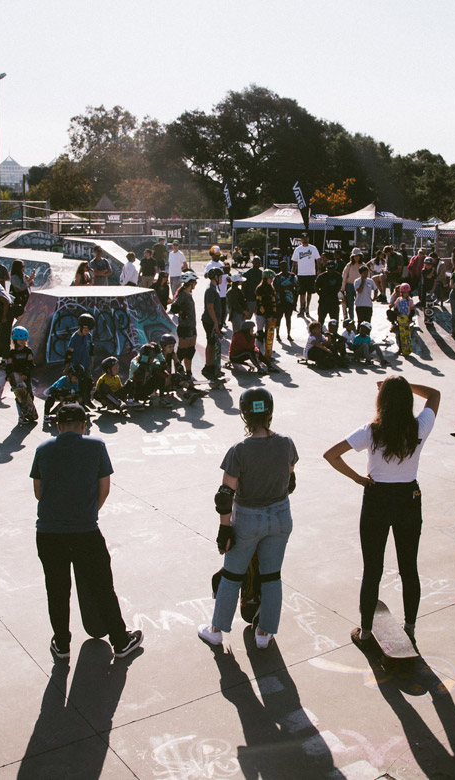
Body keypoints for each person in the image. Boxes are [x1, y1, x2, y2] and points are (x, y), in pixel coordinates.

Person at [324, 377, 441, 648]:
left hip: (377, 497)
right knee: (409, 568)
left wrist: (358, 479)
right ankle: (409, 628)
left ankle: (365, 632)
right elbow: (434, 394)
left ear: (382, 401)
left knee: (372, 569)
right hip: (408, 498)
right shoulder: (419, 427)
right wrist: (405, 386)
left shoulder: (370, 431)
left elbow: (331, 455)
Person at [31, 403, 144, 660]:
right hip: (85, 532)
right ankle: (120, 640)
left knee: (57, 589)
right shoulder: (96, 446)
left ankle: (61, 644)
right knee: (103, 585)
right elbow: (104, 488)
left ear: (58, 426)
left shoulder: (43, 449)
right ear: (84, 425)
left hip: (48, 533)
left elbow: (39, 492)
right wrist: (88, 512)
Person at [200, 387, 297, 649]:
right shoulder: (286, 443)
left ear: (244, 414)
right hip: (280, 517)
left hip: (248, 520)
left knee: (232, 575)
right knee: (271, 576)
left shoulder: (239, 450)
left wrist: (224, 530)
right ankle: (264, 635)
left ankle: (216, 630)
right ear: (270, 411)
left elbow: (224, 496)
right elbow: (291, 479)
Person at [8, 326, 39, 424]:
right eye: (20, 339)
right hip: (16, 379)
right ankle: (21, 416)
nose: (22, 341)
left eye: (24, 339)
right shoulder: (12, 353)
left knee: (29, 396)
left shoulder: (28, 351)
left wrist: (25, 373)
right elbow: (9, 365)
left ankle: (28, 413)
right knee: (19, 398)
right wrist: (9, 375)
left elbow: (30, 364)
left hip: (26, 378)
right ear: (15, 340)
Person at [170, 274, 199, 376]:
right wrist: (182, 313)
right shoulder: (182, 295)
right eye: (195, 282)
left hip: (191, 326)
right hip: (185, 328)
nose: (196, 284)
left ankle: (188, 373)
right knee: (182, 353)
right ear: (190, 283)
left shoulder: (188, 294)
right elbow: (174, 308)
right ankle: (177, 373)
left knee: (190, 352)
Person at [66, 312, 96, 403]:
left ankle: (87, 400)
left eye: (89, 330)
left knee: (88, 382)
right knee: (79, 383)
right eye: (86, 330)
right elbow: (69, 353)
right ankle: (80, 402)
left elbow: (91, 351)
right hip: (77, 364)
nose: (88, 332)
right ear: (81, 327)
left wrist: (91, 363)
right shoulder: (74, 337)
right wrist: (67, 367)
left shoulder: (89, 336)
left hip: (86, 363)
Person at [201, 267, 224, 379]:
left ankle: (212, 366)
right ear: (215, 277)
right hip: (210, 321)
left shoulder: (213, 288)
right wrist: (215, 323)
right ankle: (208, 366)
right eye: (220, 277)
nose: (221, 279)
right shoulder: (211, 290)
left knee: (212, 343)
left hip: (212, 321)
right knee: (210, 344)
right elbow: (210, 308)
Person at [291, 236, 321, 317]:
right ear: (301, 239)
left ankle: (307, 307)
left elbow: (318, 260)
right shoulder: (298, 249)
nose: (305, 240)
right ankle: (302, 308)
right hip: (301, 274)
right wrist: (293, 272)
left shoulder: (313, 248)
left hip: (311, 274)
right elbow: (294, 262)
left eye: (306, 238)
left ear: (308, 239)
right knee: (301, 293)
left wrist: (318, 270)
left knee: (310, 292)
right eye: (303, 238)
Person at [254, 270, 279, 356]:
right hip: (261, 314)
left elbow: (273, 302)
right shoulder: (259, 289)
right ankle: (257, 352)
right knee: (260, 333)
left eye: (272, 278)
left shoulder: (271, 288)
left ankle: (267, 352)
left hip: (270, 315)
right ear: (265, 279)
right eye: (270, 278)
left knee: (269, 334)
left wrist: (274, 315)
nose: (272, 280)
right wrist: (267, 315)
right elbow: (259, 303)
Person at [388, 282, 417, 357]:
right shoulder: (398, 300)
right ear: (401, 293)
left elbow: (412, 310)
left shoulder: (410, 300)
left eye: (407, 293)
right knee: (400, 334)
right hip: (400, 319)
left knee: (406, 334)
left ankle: (407, 347)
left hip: (407, 320)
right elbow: (395, 308)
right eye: (404, 293)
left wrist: (410, 318)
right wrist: (398, 314)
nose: (406, 294)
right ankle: (400, 348)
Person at [316, 261, 344, 328]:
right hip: (323, 301)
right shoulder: (321, 276)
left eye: (332, 268)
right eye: (329, 268)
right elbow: (316, 287)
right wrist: (321, 294)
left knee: (335, 321)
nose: (330, 270)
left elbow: (340, 287)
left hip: (334, 302)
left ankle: (334, 335)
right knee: (321, 320)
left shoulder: (338, 276)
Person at [276, 270, 299, 342]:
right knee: (278, 318)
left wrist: (292, 286)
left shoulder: (292, 276)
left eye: (285, 266)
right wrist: (285, 287)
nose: (284, 268)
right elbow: (275, 287)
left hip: (289, 300)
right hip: (280, 300)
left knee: (288, 318)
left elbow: (297, 286)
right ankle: (277, 334)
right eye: (282, 267)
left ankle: (288, 334)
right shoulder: (278, 277)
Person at [342, 252, 365, 322]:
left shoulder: (363, 265)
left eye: (358, 256)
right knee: (350, 303)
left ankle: (360, 319)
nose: (356, 258)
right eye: (355, 256)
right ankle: (351, 319)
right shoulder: (349, 265)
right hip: (349, 285)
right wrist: (343, 288)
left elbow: (367, 276)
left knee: (360, 303)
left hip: (359, 285)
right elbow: (344, 276)